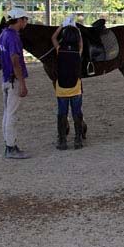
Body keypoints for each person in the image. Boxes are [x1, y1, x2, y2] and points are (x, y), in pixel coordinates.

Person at [0, 7, 31, 159]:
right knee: (12, 113)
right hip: (14, 79)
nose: (26, 22)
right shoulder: (14, 37)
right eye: (25, 19)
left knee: (7, 112)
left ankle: (8, 143)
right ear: (19, 20)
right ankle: (10, 147)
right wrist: (22, 83)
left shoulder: (3, 35)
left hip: (5, 78)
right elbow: (15, 60)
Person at [51, 16, 86, 150]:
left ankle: (62, 141)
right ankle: (77, 140)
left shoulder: (60, 50)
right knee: (77, 112)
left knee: (62, 113)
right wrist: (77, 29)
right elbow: (81, 43)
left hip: (61, 88)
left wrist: (62, 25)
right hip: (75, 88)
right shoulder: (78, 51)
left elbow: (53, 38)